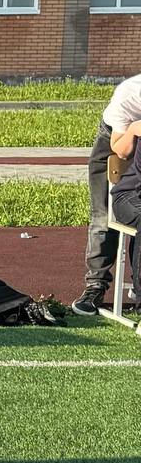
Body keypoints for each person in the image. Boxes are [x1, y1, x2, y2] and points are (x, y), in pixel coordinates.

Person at [73, 68, 141, 314]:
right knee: (104, 216)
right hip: (117, 138)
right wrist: (134, 129)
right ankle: (95, 286)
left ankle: (138, 285)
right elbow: (121, 150)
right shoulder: (130, 94)